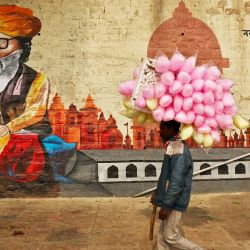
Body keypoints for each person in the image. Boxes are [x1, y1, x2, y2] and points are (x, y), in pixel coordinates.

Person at [0, 5, 76, 183]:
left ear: (22, 44)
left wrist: (8, 128)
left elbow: (36, 111)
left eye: (2, 42)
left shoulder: (36, 78)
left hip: (23, 139)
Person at [151, 120, 203, 250]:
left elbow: (176, 182)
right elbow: (166, 177)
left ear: (170, 129)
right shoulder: (172, 146)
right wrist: (158, 195)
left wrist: (167, 206)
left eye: (162, 128)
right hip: (168, 199)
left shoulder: (179, 150)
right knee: (162, 237)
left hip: (174, 201)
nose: (160, 131)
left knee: (170, 236)